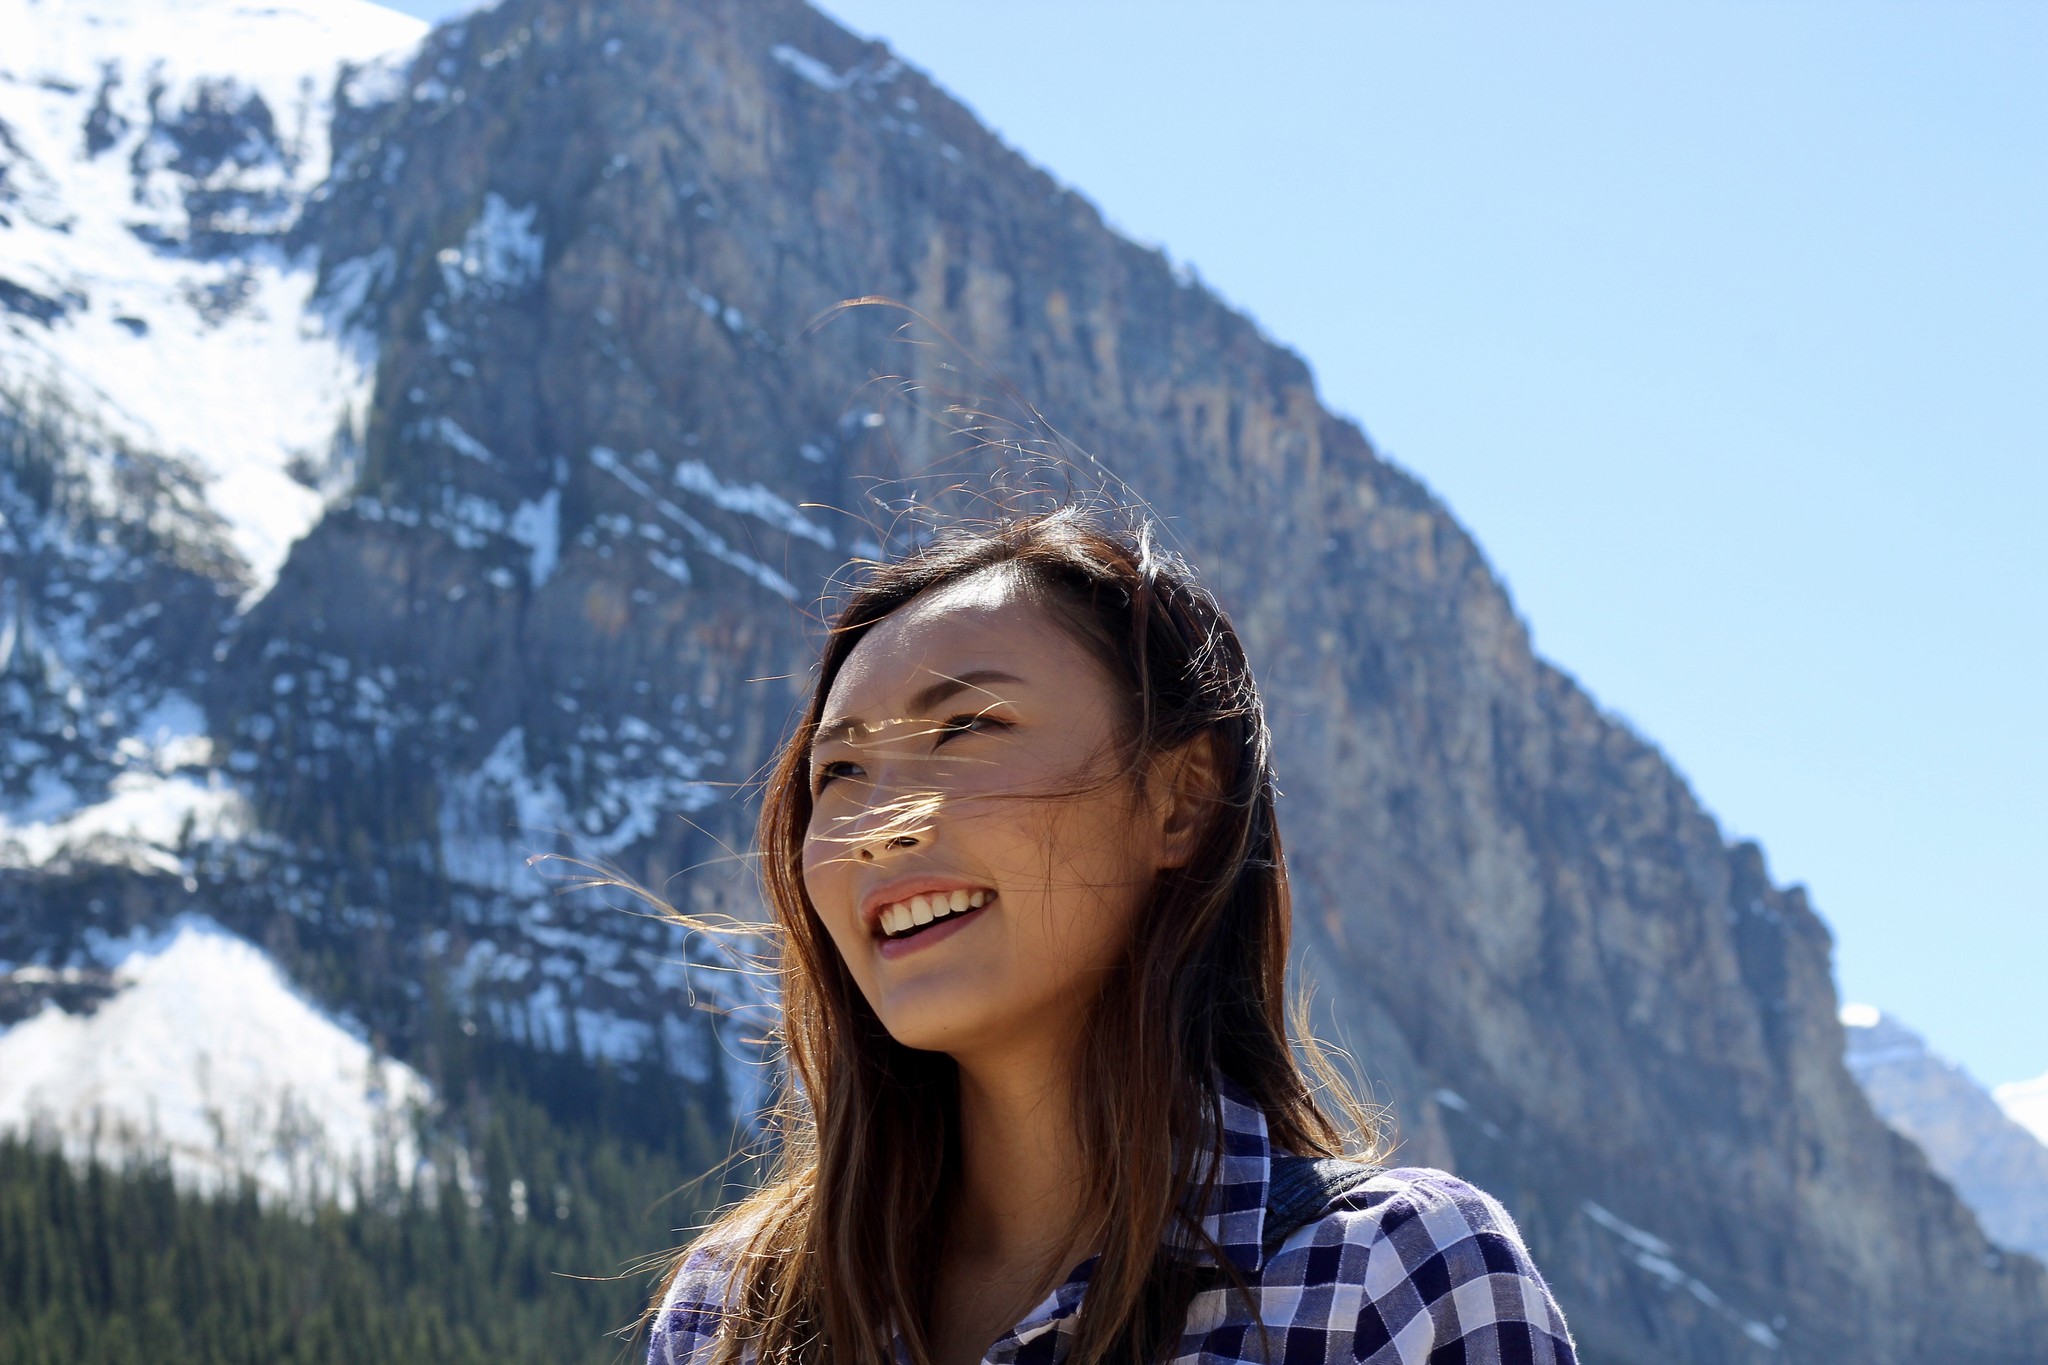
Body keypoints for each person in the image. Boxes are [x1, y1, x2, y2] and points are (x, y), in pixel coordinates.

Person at [648, 505, 1576, 1365]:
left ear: (1182, 801)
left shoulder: (1391, 1278)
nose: (878, 824)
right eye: (840, 769)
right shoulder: (737, 1310)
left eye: (968, 726)